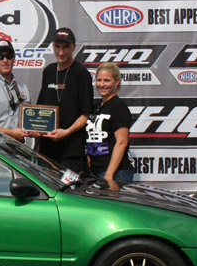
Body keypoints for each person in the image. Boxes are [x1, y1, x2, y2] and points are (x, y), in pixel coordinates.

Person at [37, 27, 92, 173]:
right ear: (52, 46)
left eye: (66, 47)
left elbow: (85, 114)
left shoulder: (82, 74)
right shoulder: (48, 71)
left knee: (70, 186)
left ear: (73, 47)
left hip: (71, 150)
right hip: (47, 148)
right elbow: (40, 108)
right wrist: (36, 129)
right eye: (57, 47)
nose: (61, 52)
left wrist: (66, 132)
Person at [85, 62, 133, 191]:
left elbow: (122, 143)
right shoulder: (95, 106)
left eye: (107, 80)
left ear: (116, 82)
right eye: (99, 80)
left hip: (116, 173)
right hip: (95, 171)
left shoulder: (119, 107)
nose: (102, 84)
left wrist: (109, 175)